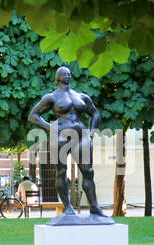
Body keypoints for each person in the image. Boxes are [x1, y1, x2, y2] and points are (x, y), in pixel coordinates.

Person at [28, 66, 105, 216]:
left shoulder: (81, 97)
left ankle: (94, 207)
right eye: (64, 74)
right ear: (58, 78)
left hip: (81, 136)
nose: (67, 75)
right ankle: (67, 206)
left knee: (88, 171)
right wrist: (49, 126)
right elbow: (33, 116)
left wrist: (91, 132)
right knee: (61, 171)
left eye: (69, 73)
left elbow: (95, 113)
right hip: (60, 137)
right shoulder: (51, 97)